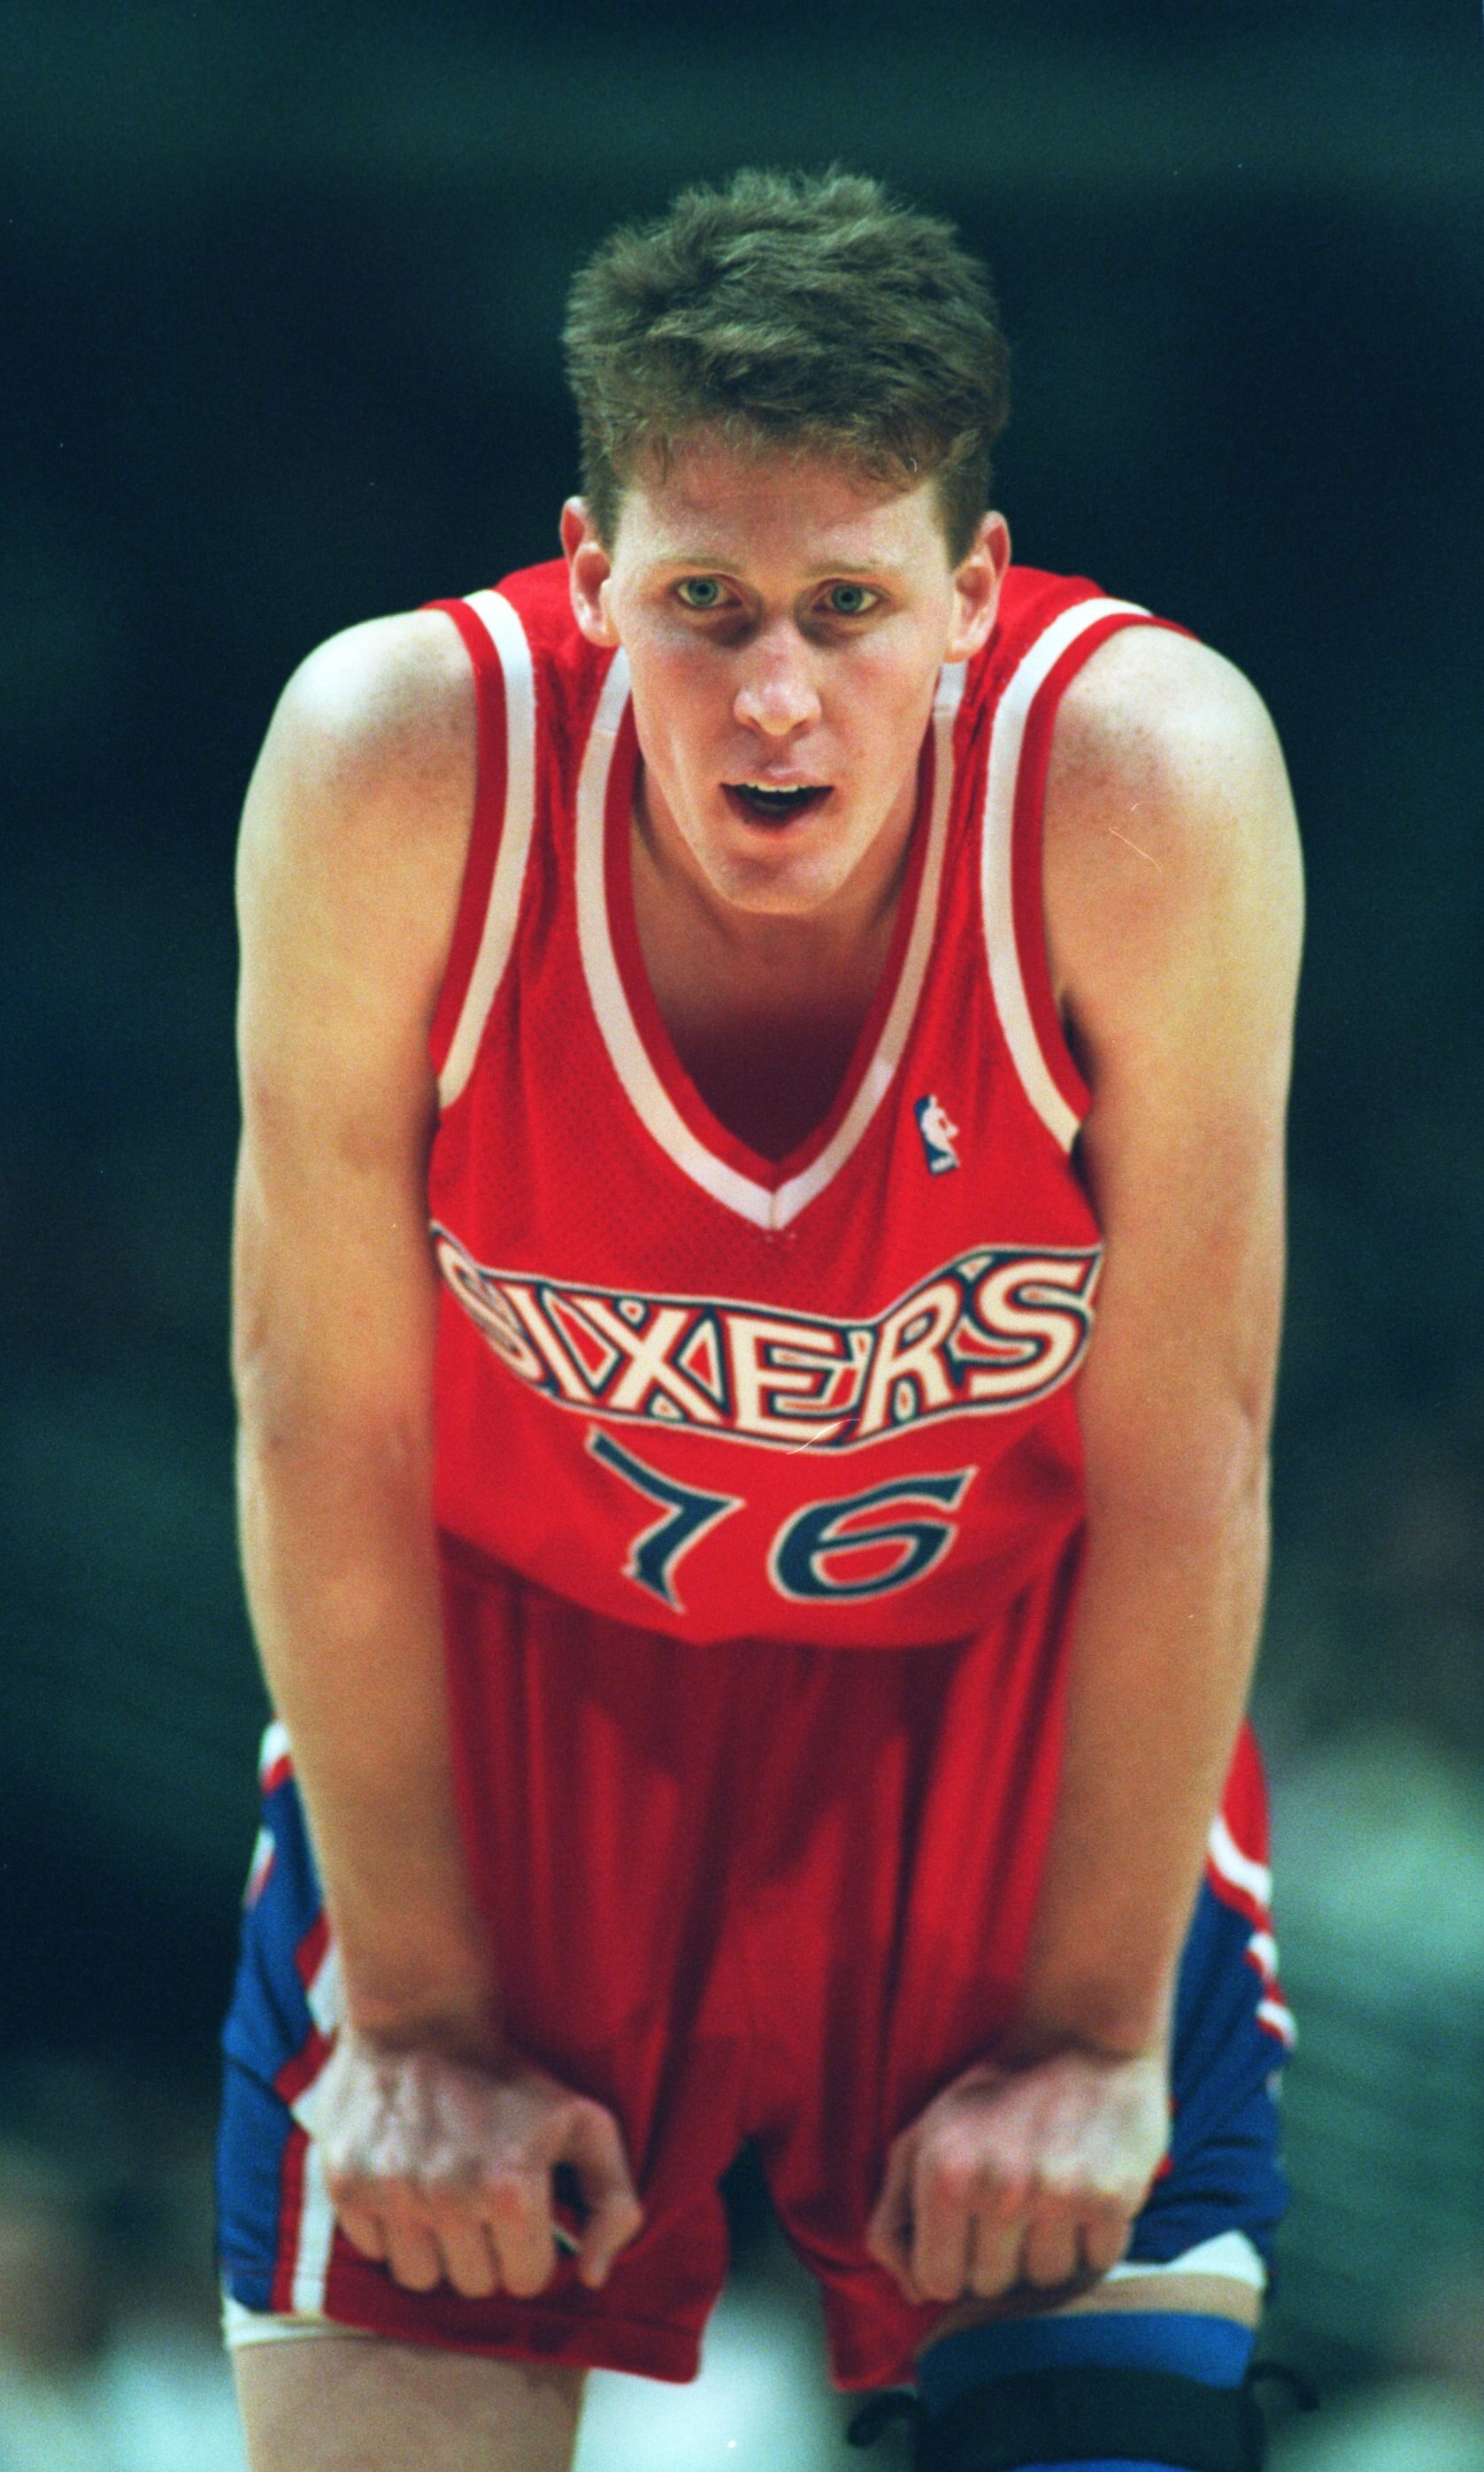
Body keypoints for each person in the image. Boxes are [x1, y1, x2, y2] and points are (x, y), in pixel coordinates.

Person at [215, 168, 1303, 2472]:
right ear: (591, 571)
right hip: (511, 1724)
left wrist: (1100, 2034)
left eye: (846, 603)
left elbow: (1191, 1447)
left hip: (996, 1731)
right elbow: (319, 1412)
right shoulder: (396, 763)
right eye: (700, 599)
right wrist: (410, 2005)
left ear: (976, 597)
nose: (776, 690)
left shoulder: (1146, 786)